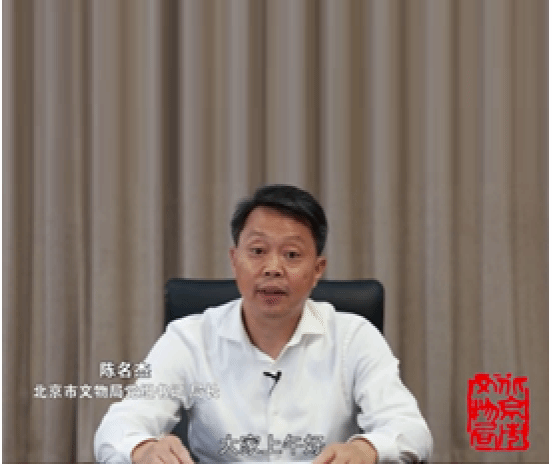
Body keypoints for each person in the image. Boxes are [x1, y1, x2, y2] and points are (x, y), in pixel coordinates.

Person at [95, 184, 432, 464]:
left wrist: (366, 449)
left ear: (317, 270)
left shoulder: (353, 337)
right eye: (257, 251)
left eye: (292, 255)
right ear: (234, 260)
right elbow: (120, 424)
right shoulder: (190, 338)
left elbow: (410, 430)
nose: (272, 268)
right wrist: (142, 449)